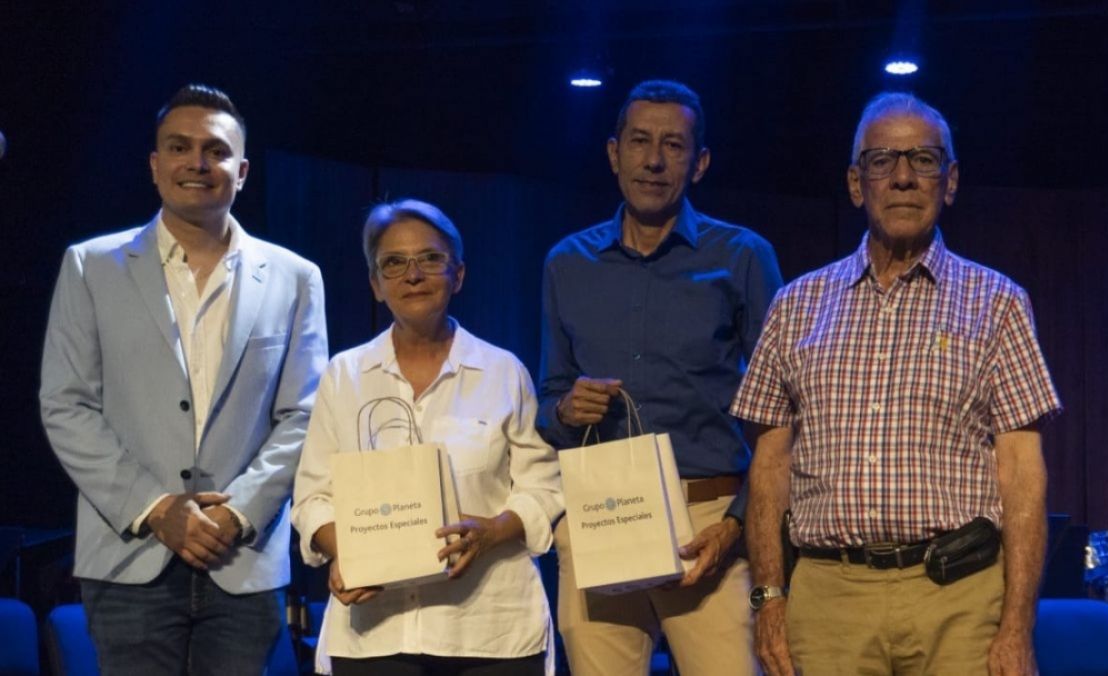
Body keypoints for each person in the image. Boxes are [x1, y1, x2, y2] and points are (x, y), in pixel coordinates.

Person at [733, 92, 1062, 676]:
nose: (904, 177)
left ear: (950, 181)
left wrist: (1017, 625)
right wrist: (769, 599)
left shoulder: (998, 303)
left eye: (924, 160)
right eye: (883, 160)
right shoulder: (796, 306)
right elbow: (769, 468)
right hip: (829, 602)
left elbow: (1022, 475)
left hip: (959, 599)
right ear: (856, 184)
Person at [39, 83, 328, 674]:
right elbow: (66, 405)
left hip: (241, 559)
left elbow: (304, 413)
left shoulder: (296, 277)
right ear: (155, 165)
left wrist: (238, 512)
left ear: (241, 172)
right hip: (129, 557)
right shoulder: (91, 266)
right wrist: (154, 507)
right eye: (179, 147)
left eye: (215, 151)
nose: (197, 162)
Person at [538, 79, 783, 676]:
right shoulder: (567, 262)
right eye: (639, 141)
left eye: (673, 145)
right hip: (602, 517)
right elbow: (548, 400)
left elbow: (785, 414)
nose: (653, 160)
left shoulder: (742, 256)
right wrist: (566, 410)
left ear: (699, 163)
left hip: (708, 523)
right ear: (613, 152)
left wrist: (736, 526)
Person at [292, 199, 564, 675]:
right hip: (375, 630)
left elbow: (543, 488)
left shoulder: (503, 372)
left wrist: (492, 531)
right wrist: (350, 554)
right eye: (394, 263)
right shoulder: (344, 375)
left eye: (430, 258)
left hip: (488, 630)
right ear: (376, 285)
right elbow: (314, 498)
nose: (413, 275)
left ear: (458, 274)